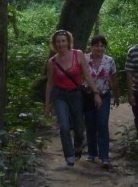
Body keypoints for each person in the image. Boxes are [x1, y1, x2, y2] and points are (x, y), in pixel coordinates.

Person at [44, 29, 102, 166]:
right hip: (60, 95)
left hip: (76, 94)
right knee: (64, 126)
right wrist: (47, 104)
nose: (61, 44)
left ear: (68, 41)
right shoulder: (52, 62)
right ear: (54, 44)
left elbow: (87, 75)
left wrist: (96, 93)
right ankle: (69, 156)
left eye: (63, 41)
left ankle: (77, 147)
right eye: (58, 41)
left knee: (79, 126)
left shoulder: (78, 54)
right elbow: (49, 84)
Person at [83, 34, 120, 169]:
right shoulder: (85, 59)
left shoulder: (109, 61)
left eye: (102, 45)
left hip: (104, 95)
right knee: (90, 124)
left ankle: (104, 156)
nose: (99, 48)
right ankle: (92, 153)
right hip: (87, 96)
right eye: (96, 45)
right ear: (91, 46)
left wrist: (116, 95)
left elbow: (114, 78)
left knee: (102, 124)